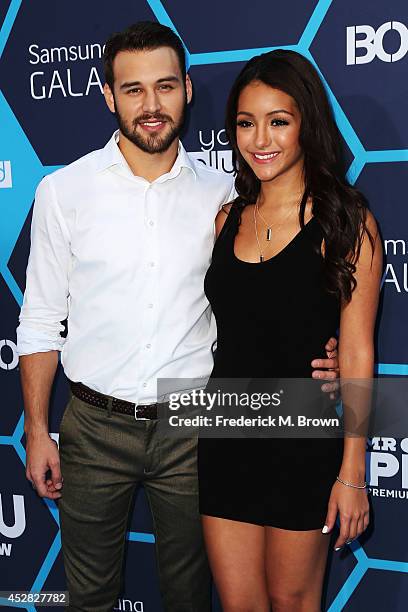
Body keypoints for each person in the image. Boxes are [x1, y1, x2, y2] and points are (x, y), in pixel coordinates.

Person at [17, 22, 339, 612]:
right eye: (133, 90)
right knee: (89, 596)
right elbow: (39, 318)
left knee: (190, 596)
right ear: (109, 97)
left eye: (164, 86)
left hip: (198, 425)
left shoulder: (227, 198)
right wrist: (37, 429)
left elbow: (273, 293)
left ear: (188, 90)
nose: (150, 105)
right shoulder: (63, 192)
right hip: (92, 424)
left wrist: (325, 355)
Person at [198, 49, 382, 612]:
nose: (261, 139)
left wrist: (352, 472)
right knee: (239, 604)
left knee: (293, 602)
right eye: (245, 123)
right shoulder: (226, 218)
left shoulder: (346, 221)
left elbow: (354, 350)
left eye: (278, 120)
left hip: (302, 440)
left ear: (306, 123)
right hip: (226, 435)